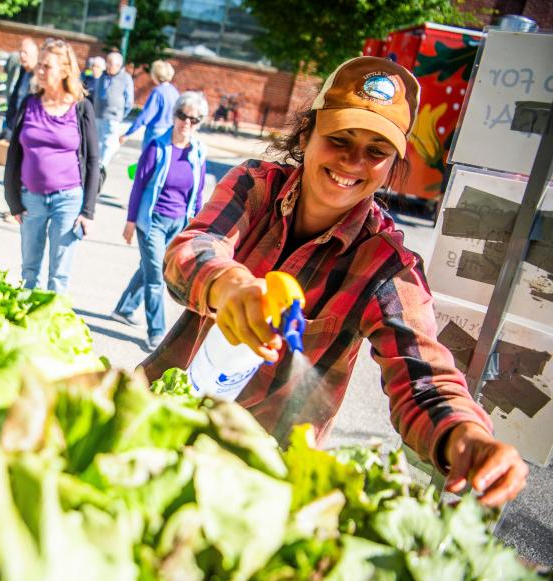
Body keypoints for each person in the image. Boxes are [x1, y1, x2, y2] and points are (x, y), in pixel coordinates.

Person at [143, 56, 528, 508]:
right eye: (340, 139)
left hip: (253, 481)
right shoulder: (256, 186)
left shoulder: (387, 264)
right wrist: (229, 286)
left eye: (376, 151)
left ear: (391, 165)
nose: (353, 161)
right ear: (306, 135)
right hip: (155, 421)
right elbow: (192, 249)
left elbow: (423, 375)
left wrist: (463, 434)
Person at [111, 92, 209, 352]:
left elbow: (198, 193)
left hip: (179, 223)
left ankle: (124, 308)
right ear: (174, 116)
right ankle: (157, 333)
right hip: (151, 221)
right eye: (182, 116)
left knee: (149, 267)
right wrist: (130, 221)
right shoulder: (157, 146)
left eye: (194, 119)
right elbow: (139, 186)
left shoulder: (198, 152)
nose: (187, 122)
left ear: (200, 123)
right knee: (158, 275)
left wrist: (198, 227)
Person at [4, 39, 100, 294]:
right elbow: (14, 154)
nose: (40, 71)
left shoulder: (81, 107)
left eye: (47, 66)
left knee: (58, 277)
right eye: (40, 65)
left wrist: (88, 211)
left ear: (65, 70)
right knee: (29, 272)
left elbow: (92, 160)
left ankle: (51, 329)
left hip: (68, 200)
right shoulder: (30, 103)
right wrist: (13, 199)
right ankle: (25, 326)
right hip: (31, 200)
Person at [119, 60, 179, 152]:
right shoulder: (174, 91)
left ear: (156, 75)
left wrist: (128, 133)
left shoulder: (158, 92)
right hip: (169, 132)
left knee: (148, 161)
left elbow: (145, 115)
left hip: (155, 132)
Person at [95, 51, 134, 175]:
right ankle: (96, 165)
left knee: (108, 143)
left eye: (111, 64)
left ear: (118, 65)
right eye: (107, 63)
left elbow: (129, 101)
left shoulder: (125, 78)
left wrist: (120, 115)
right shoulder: (102, 76)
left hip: (112, 116)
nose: (108, 66)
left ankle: (102, 168)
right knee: (97, 142)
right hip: (98, 114)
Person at [2, 37, 38, 141]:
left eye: (25, 52)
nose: (22, 56)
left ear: (35, 54)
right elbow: (15, 96)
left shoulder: (39, 76)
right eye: (20, 52)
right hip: (16, 125)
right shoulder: (23, 70)